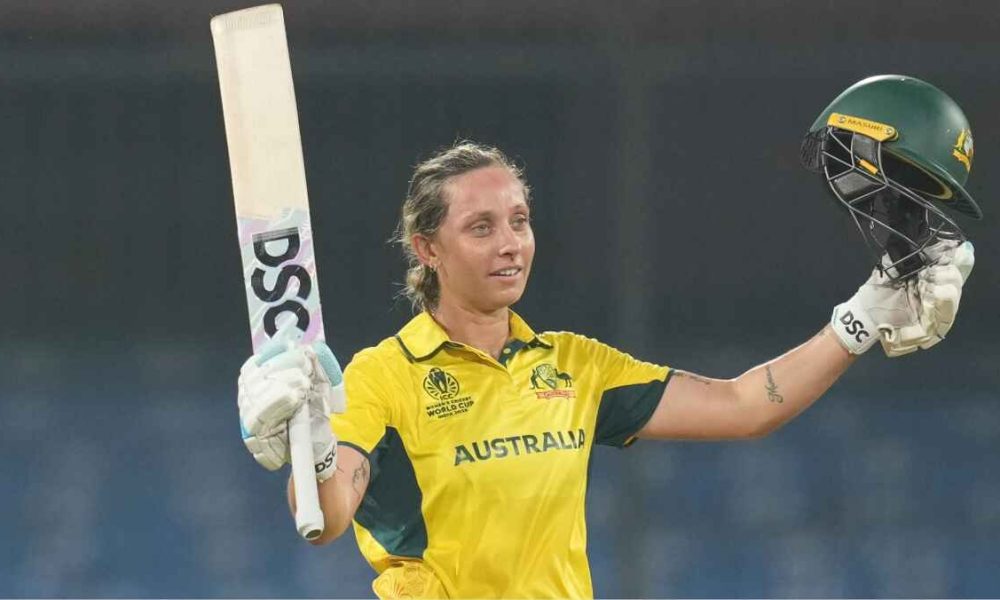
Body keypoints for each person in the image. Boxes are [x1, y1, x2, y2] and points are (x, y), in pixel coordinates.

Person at [236, 75, 978, 598]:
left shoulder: (574, 367)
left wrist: (868, 309)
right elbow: (327, 518)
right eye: (481, 227)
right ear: (425, 249)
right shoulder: (380, 377)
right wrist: (307, 444)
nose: (510, 245)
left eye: (520, 221)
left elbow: (749, 405)